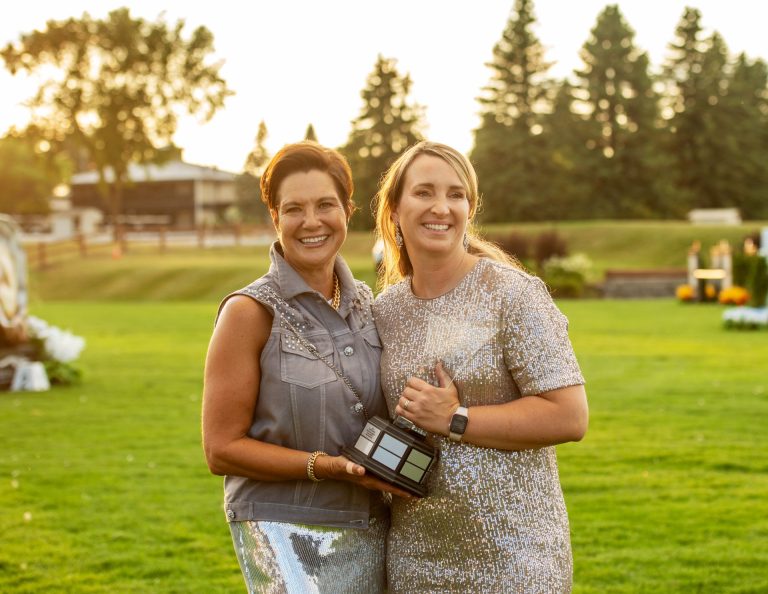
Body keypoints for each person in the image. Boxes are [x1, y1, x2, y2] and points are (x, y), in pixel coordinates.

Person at [372, 141, 589, 593]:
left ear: (470, 209)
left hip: (516, 556)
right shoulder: (385, 311)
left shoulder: (512, 294)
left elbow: (570, 415)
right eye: (424, 192)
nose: (442, 207)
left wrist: (455, 418)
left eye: (456, 195)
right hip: (415, 560)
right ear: (394, 210)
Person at [202, 141, 410, 594]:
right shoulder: (248, 312)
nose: (311, 221)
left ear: (348, 210)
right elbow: (221, 449)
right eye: (294, 208)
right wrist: (324, 466)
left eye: (325, 205)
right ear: (274, 218)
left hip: (373, 525)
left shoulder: (369, 306)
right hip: (288, 533)